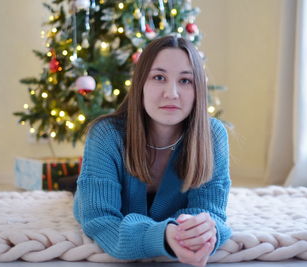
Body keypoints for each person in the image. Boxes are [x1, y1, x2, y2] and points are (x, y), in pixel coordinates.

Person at [73, 35, 232, 267]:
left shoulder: (213, 135)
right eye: (159, 77)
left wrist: (201, 232)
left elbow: (212, 213)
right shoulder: (105, 134)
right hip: (89, 196)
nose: (172, 93)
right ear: (140, 85)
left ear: (198, 89)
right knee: (77, 193)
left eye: (186, 81)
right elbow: (100, 219)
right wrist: (164, 235)